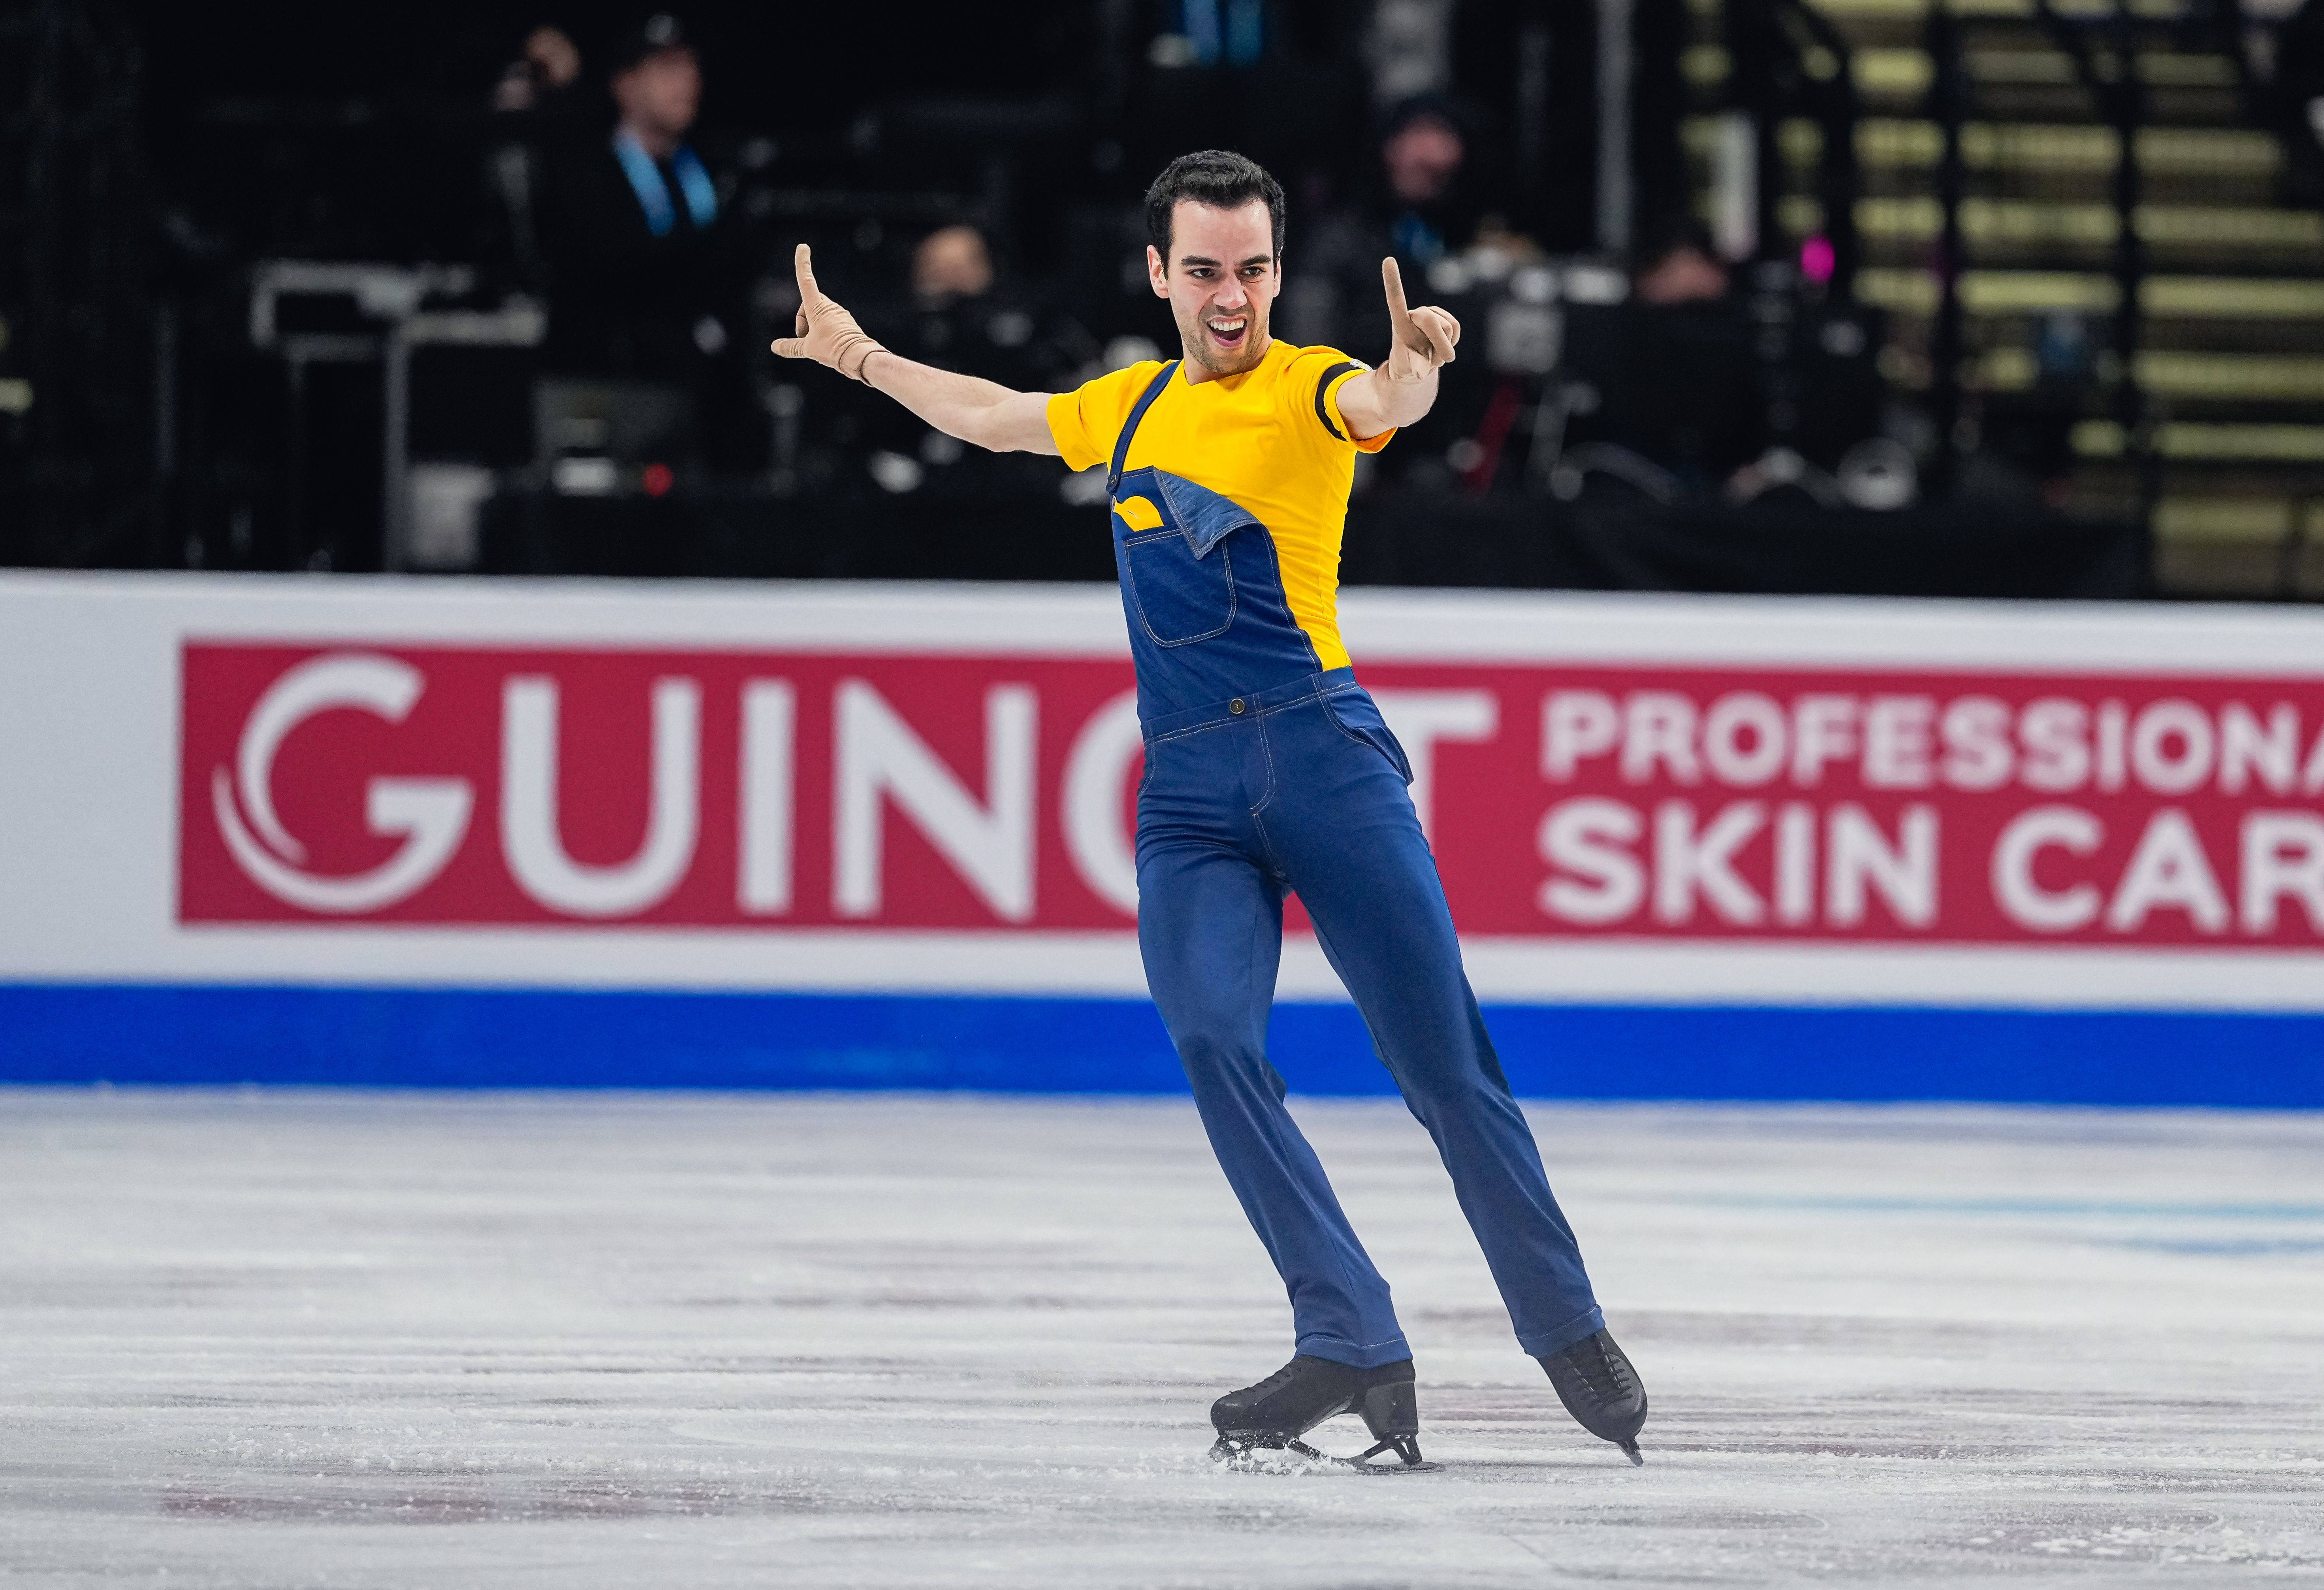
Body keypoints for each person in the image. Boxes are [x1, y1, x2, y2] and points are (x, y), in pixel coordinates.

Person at [770, 149, 1647, 1472]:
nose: (1227, 297)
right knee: (1206, 1035)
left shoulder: (1310, 387)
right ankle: (1348, 1329)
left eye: (1249, 270)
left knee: (1440, 1067)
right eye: (1202, 271)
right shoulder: (1123, 410)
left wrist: (1417, 366)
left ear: (1277, 274)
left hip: (1324, 763)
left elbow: (1383, 397)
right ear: (1157, 274)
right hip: (1185, 791)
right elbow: (1001, 415)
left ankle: (1561, 1318)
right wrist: (859, 359)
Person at [538, 15, 738, 406]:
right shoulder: (588, 172)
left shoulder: (712, 173)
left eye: (690, 66)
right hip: (606, 384)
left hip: (695, 388)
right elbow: (608, 266)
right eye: (666, 69)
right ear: (625, 85)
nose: (685, 82)